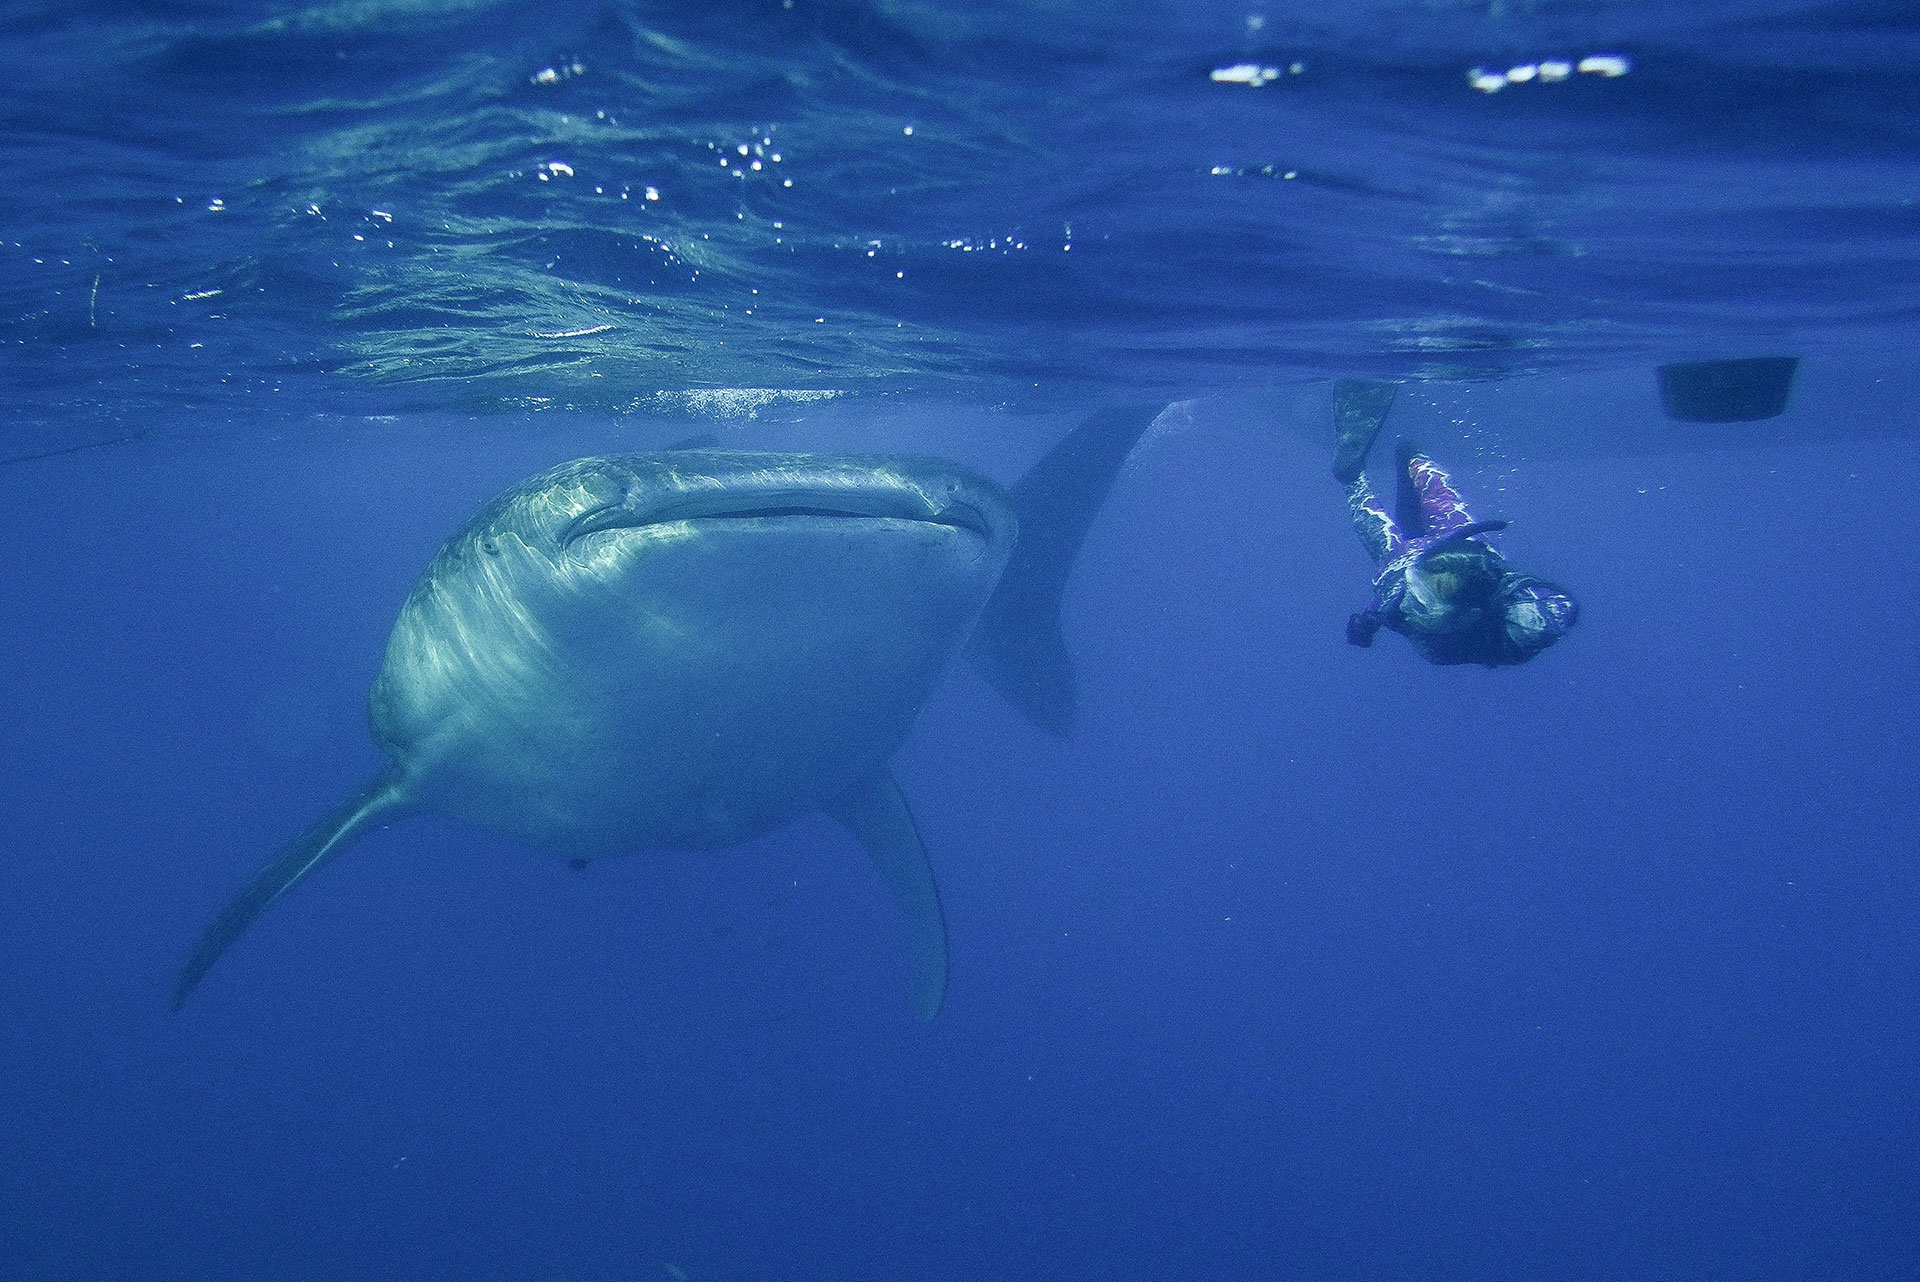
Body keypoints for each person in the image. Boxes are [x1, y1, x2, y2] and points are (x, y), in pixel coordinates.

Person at [1332, 381, 1577, 667]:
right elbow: (1565, 605)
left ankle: (1372, 467)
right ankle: (1405, 456)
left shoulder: (1521, 630)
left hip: (1421, 559)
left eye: (1422, 603)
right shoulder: (1404, 590)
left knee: (1407, 507)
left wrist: (1364, 626)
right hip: (1454, 547)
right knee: (1433, 493)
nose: (1411, 599)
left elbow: (1564, 609)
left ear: (1467, 616)